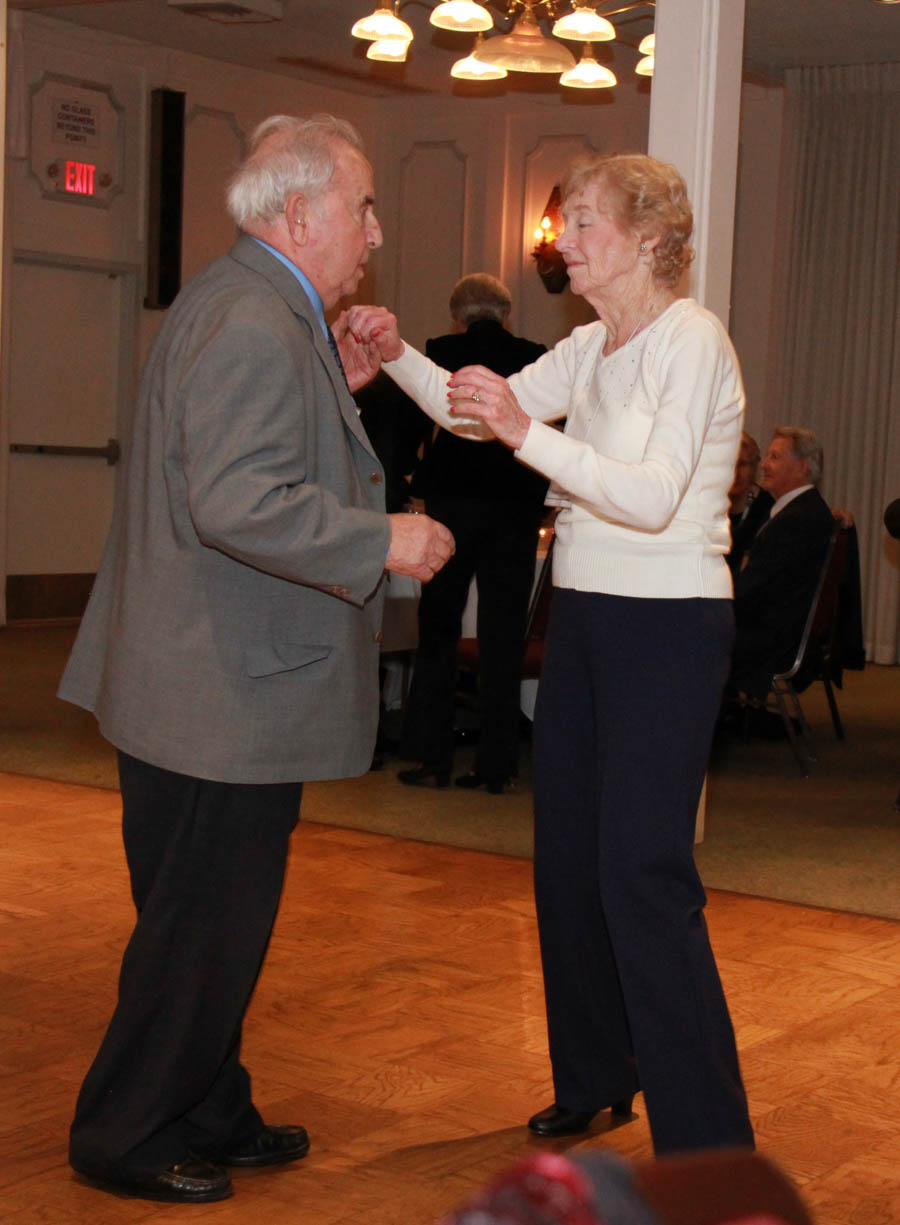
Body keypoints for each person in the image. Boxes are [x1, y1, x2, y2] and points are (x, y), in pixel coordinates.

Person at [57, 113, 453, 1204]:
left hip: (201, 677)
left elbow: (247, 450)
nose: (374, 231)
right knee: (203, 926)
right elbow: (237, 500)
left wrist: (345, 382)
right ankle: (123, 1130)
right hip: (218, 689)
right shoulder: (252, 320)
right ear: (300, 214)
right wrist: (386, 539)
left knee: (202, 917)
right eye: (363, 207)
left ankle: (206, 1103)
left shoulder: (249, 302)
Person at [349, 152, 755, 1156]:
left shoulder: (689, 339)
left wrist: (528, 432)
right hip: (581, 614)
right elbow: (469, 409)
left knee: (642, 874)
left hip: (667, 624)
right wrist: (400, 351)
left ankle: (709, 1145)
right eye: (560, 224)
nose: (560, 242)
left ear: (651, 237)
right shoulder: (595, 344)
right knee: (568, 860)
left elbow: (652, 495)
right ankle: (596, 1075)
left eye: (581, 224)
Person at [396, 273, 548, 794]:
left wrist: (411, 477)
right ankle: (497, 766)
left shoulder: (442, 351)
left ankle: (431, 759)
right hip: (513, 505)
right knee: (502, 636)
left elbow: (417, 420)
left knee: (438, 628)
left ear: (458, 316)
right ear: (506, 315)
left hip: (453, 504)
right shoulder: (533, 354)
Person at [730, 427, 835, 699]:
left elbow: (752, 591)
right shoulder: (801, 510)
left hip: (773, 639)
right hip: (778, 628)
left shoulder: (795, 520)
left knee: (690, 630)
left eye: (775, 457)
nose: (764, 465)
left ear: (802, 467)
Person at [726, 431, 772, 576]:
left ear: (754, 467)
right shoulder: (712, 505)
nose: (735, 472)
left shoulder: (768, 507)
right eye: (729, 464)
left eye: (742, 464)